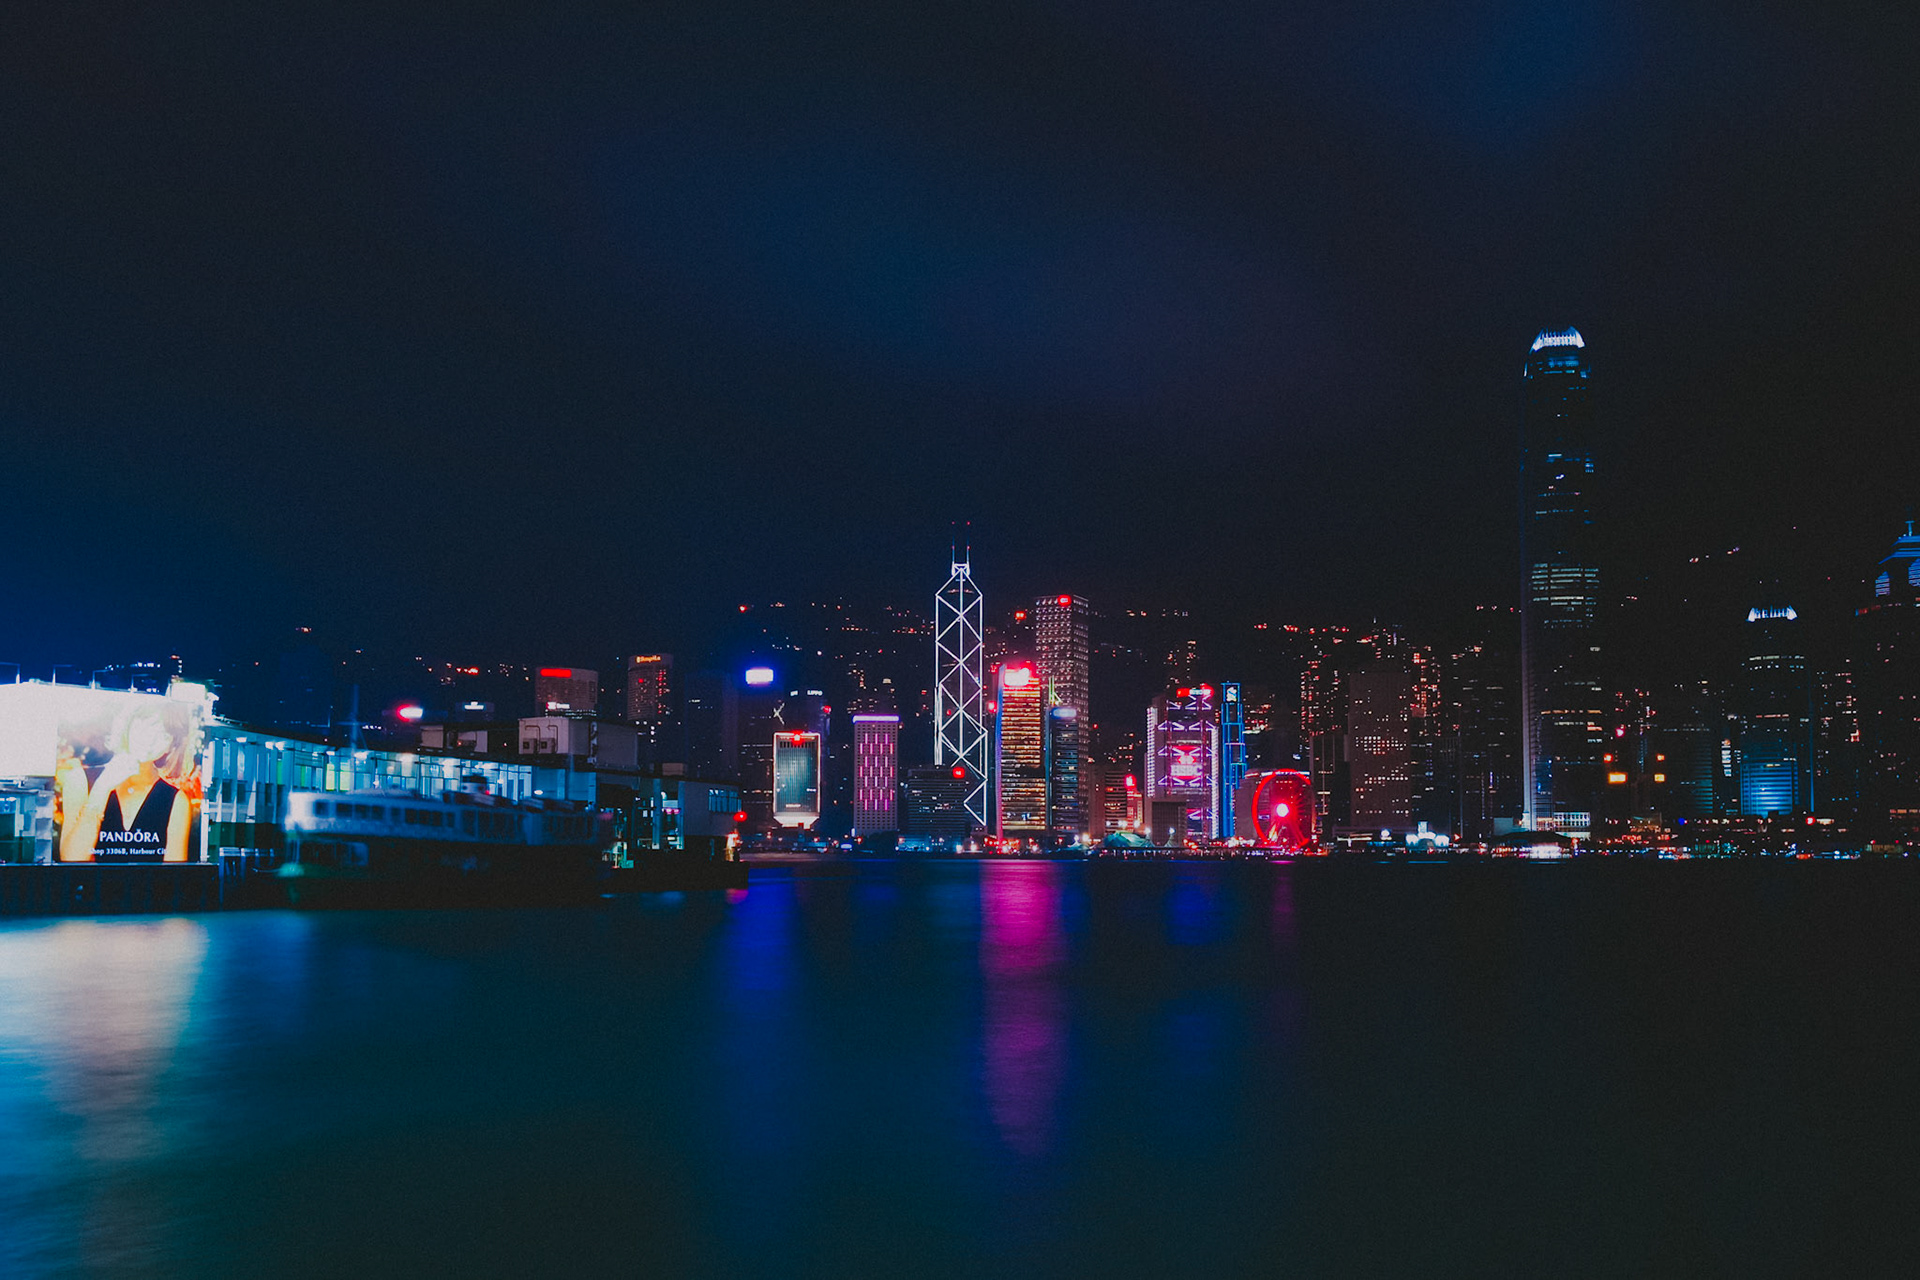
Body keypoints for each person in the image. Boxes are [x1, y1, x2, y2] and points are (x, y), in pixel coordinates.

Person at [56, 705, 195, 862]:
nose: (150, 739)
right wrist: (102, 788)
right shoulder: (80, 779)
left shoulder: (176, 800)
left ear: (171, 746)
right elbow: (71, 859)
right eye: (146, 725)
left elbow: (173, 878)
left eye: (164, 736)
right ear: (128, 723)